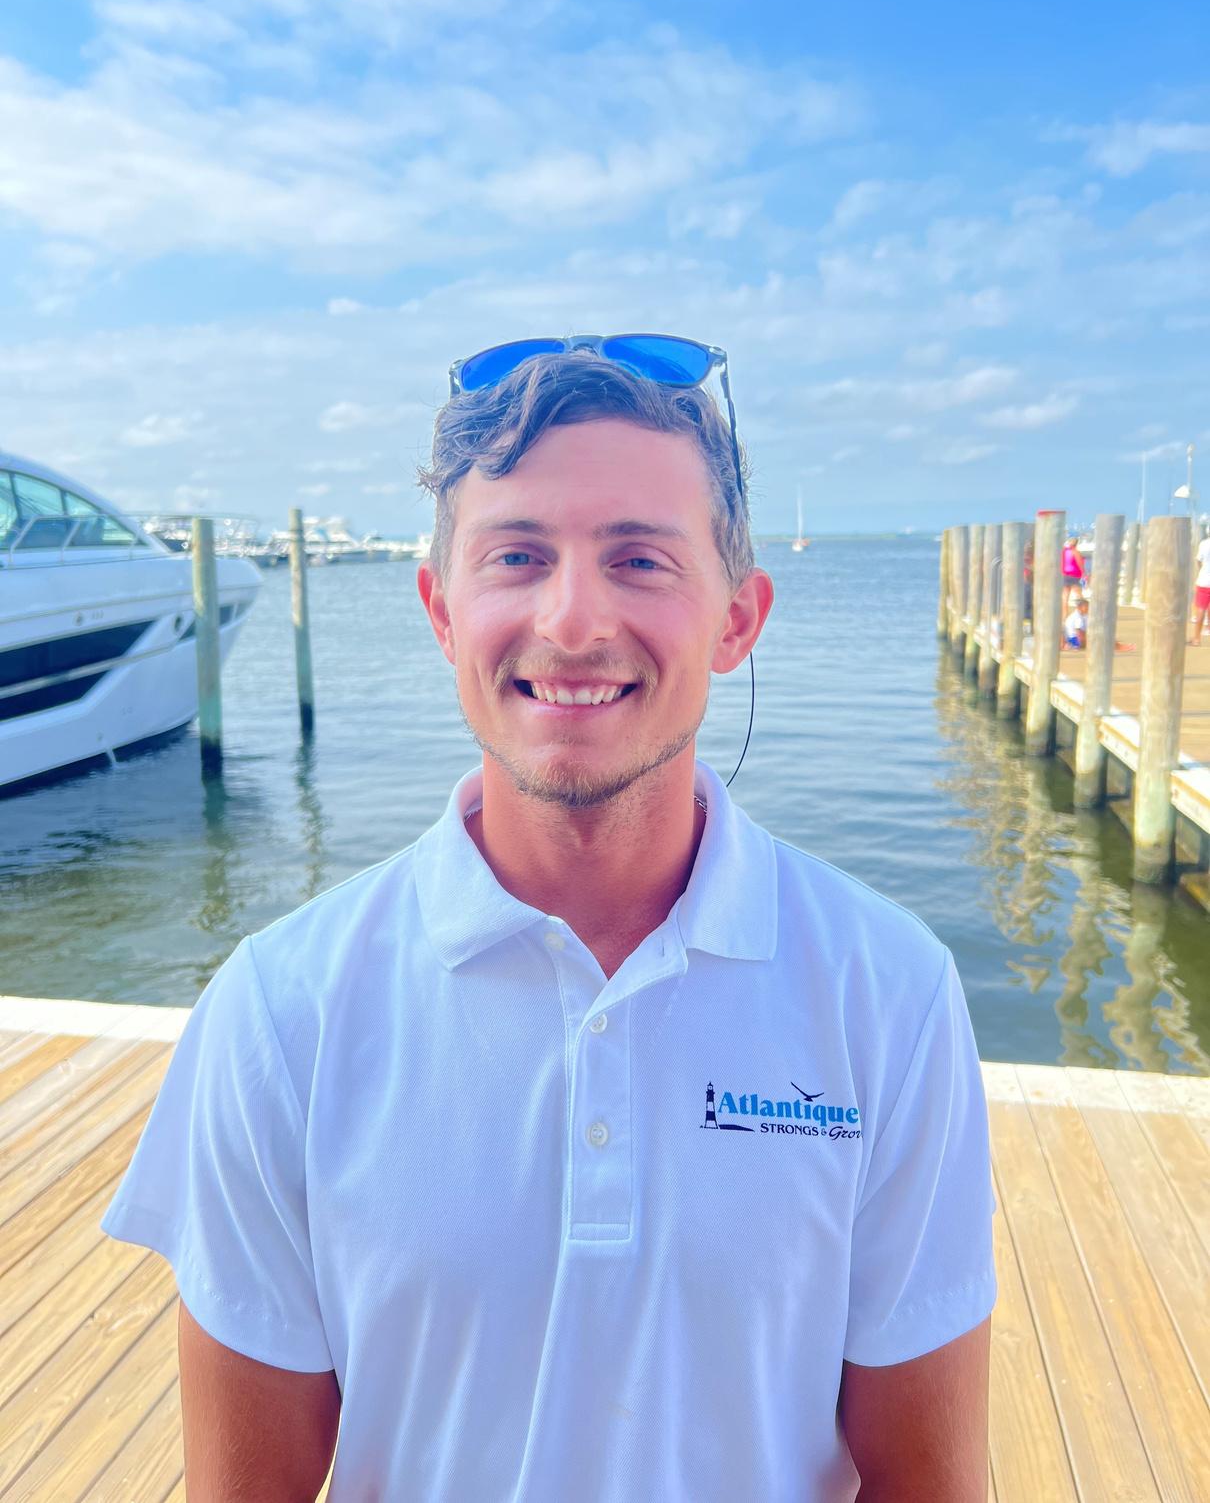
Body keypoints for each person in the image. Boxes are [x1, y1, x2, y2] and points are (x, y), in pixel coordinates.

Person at [101, 340, 996, 1502]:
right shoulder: (281, 1013)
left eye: (640, 559)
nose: (573, 621)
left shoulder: (888, 993)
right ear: (441, 610)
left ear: (736, 619)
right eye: (517, 556)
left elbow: (928, 1478)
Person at [1191, 529, 1210, 646]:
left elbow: (1198, 560)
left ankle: (1197, 638)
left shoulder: (1204, 544)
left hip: (1204, 580)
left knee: (1201, 608)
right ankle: (1208, 628)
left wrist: (1201, 570)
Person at [1061, 534, 1085, 620]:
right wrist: (1084, 573)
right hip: (1074, 575)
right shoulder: (1075, 552)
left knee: (1065, 596)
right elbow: (1080, 563)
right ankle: (1082, 611)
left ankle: (1065, 615)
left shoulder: (1064, 551)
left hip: (1065, 575)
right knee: (1079, 595)